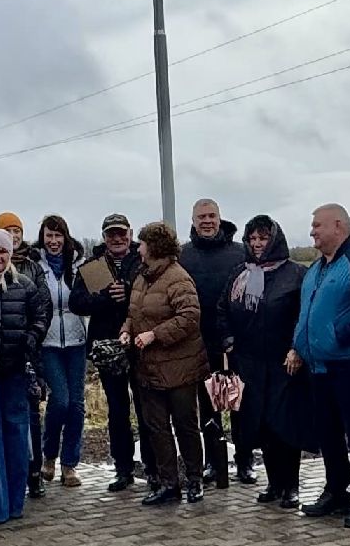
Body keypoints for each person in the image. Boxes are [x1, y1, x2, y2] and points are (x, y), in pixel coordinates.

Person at [290, 204, 350, 529]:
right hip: (318, 366)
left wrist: (337, 336)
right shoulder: (316, 268)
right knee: (327, 433)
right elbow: (307, 313)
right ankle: (335, 492)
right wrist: (299, 346)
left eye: (317, 225)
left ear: (339, 226)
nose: (312, 232)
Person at [217, 216, 309, 509]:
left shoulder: (296, 273)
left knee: (285, 424)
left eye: (263, 238)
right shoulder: (239, 274)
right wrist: (228, 339)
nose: (257, 244)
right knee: (261, 425)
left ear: (275, 239)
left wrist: (297, 348)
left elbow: (303, 316)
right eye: (252, 238)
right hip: (249, 362)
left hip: (284, 363)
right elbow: (222, 310)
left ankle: (291, 486)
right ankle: (274, 482)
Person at [122, 222, 210, 506]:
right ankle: (168, 483)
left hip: (180, 367)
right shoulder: (142, 277)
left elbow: (189, 317)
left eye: (143, 243)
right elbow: (134, 311)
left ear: (154, 247)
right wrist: (127, 330)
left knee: (185, 424)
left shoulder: (178, 278)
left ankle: (194, 480)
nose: (138, 248)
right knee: (156, 427)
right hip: (148, 367)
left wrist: (154, 335)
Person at [0, 229, 50, 525]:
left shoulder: (24, 285)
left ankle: (15, 503)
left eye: (2, 252)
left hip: (17, 371)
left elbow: (42, 315)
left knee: (17, 436)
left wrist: (31, 338)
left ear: (9, 254)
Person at [70, 213, 155, 491]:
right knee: (117, 410)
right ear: (104, 237)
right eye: (111, 234)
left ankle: (152, 467)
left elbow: (154, 295)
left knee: (146, 409)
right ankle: (123, 468)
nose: (117, 239)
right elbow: (77, 303)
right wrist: (106, 297)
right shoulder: (94, 266)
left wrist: (128, 292)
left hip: (140, 344)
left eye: (121, 233)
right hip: (108, 347)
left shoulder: (143, 260)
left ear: (130, 234)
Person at [179, 197, 248, 487]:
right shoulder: (183, 255)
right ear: (193, 221)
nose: (206, 221)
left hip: (235, 340)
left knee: (239, 403)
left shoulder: (240, 252)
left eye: (211, 216)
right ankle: (212, 462)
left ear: (220, 218)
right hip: (198, 340)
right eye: (201, 217)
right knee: (207, 405)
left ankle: (245, 462)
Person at [0, 213, 48, 498]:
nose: (13, 236)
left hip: (27, 351)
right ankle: (8, 473)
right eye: (7, 231)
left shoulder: (32, 267)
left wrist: (31, 337)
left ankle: (34, 472)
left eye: (17, 231)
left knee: (30, 414)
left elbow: (43, 306)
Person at [33, 215, 88, 488]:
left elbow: (93, 297)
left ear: (66, 238)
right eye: (49, 236)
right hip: (48, 343)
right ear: (42, 238)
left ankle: (70, 464)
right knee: (61, 400)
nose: (54, 242)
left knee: (77, 405)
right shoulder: (34, 266)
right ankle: (49, 455)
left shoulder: (79, 265)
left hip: (77, 341)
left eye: (58, 236)